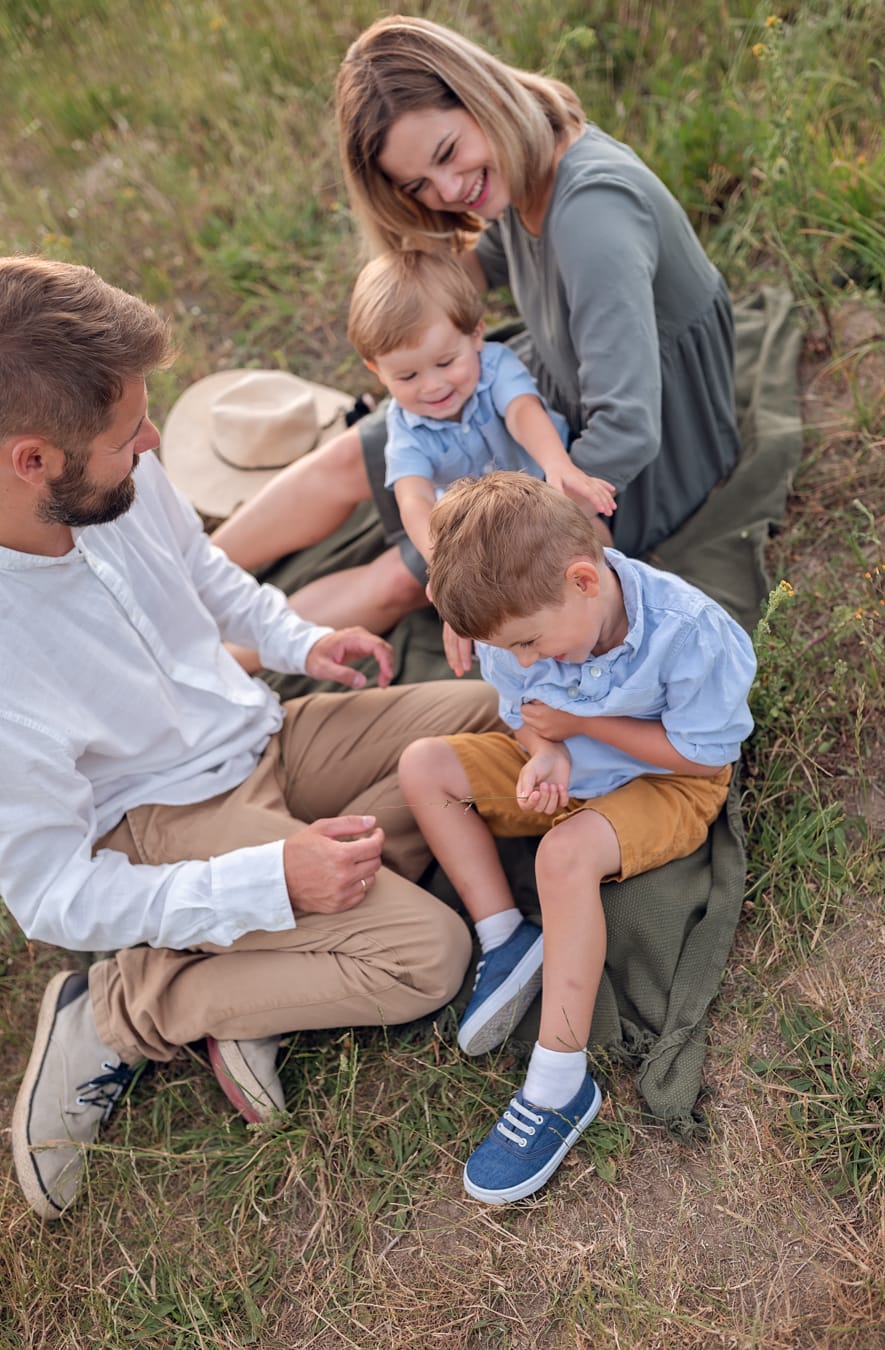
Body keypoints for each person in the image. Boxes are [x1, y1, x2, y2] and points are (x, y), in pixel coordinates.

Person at [0, 255, 500, 1221]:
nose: (152, 441)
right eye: (127, 434)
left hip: (261, 730)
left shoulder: (114, 477)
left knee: (486, 718)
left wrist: (301, 640)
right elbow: (52, 895)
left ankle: (261, 971)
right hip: (163, 818)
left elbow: (205, 573)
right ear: (33, 461)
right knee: (428, 957)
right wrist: (269, 881)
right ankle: (125, 1007)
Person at [210, 13, 739, 648]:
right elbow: (489, 261)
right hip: (554, 388)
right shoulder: (522, 168)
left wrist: (489, 541)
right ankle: (185, 570)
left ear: (481, 96)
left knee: (406, 575)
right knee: (364, 448)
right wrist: (406, 303)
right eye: (418, 185)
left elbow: (629, 427)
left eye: (447, 154)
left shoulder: (592, 214)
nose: (450, 190)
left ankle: (209, 668)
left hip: (627, 455)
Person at [398, 473, 757, 1203]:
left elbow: (703, 758)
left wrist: (584, 726)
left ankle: (560, 1082)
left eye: (529, 642)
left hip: (666, 781)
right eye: (511, 649)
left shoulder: (690, 632)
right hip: (575, 763)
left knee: (563, 855)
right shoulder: (522, 630)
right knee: (425, 765)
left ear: (584, 581)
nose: (525, 661)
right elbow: (527, 714)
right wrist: (546, 754)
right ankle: (505, 938)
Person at [347, 248, 615, 567]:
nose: (432, 386)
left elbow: (522, 411)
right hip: (481, 527)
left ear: (476, 334)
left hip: (542, 491)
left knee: (592, 535)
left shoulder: (493, 366)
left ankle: (620, 584)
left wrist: (557, 463)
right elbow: (413, 496)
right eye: (408, 376)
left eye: (446, 363)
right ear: (377, 370)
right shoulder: (405, 425)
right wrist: (439, 561)